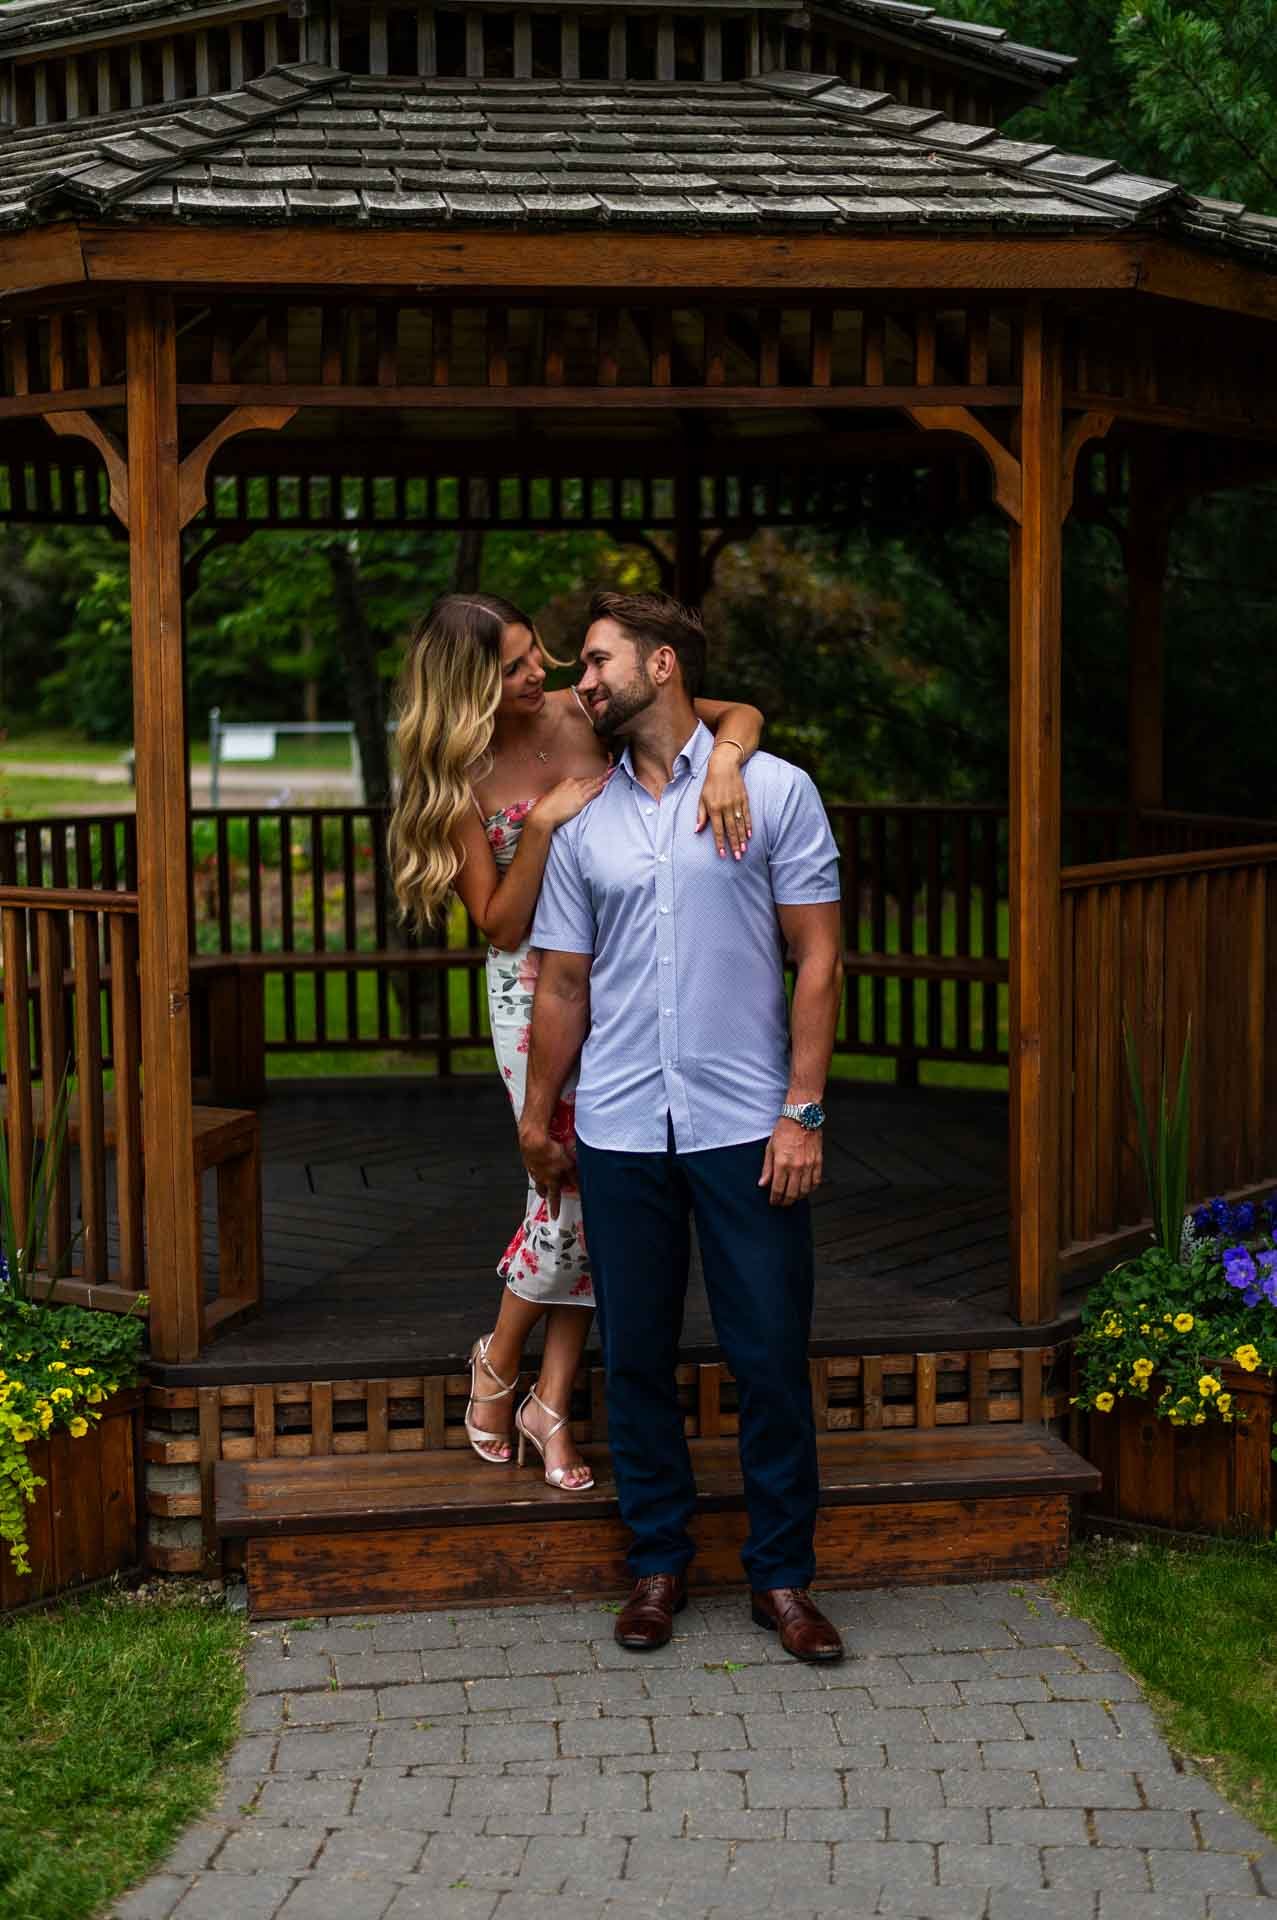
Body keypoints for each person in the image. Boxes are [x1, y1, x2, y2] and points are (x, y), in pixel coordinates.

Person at [519, 590, 845, 1661]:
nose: (583, 681)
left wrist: (800, 1113)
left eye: (598, 661)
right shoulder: (583, 823)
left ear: (663, 665)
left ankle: (782, 1580)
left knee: (764, 1355)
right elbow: (562, 983)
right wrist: (536, 1113)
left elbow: (818, 960)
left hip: (746, 1127)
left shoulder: (776, 793)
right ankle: (655, 1566)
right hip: (617, 1128)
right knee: (640, 1358)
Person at [388, 590, 764, 1493]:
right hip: (534, 992)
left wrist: (728, 767)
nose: (541, 674)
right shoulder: (460, 777)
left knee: (606, 1184)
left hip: (622, 972)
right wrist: (545, 824)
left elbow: (736, 714)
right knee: (564, 1179)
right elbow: (498, 923)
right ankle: (519, 1375)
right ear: (468, 682)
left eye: (537, 654)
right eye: (515, 665)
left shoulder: (579, 709)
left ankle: (529, 1386)